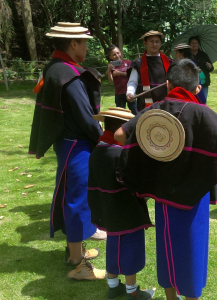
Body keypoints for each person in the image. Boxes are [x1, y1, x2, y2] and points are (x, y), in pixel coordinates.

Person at [114, 59, 217, 300]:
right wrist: (203, 163)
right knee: (192, 245)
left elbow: (119, 135)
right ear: (197, 89)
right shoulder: (201, 111)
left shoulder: (155, 110)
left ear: (168, 84)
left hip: (163, 193)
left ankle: (171, 297)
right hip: (194, 193)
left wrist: (152, 154)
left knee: (167, 245)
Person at [28, 22, 106, 280]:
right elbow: (86, 118)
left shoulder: (57, 67)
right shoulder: (67, 74)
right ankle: (77, 263)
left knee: (73, 195)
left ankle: (75, 250)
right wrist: (103, 139)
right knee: (77, 199)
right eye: (84, 42)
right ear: (73, 44)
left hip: (68, 142)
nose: (86, 46)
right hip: (76, 143)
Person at [87, 108, 156, 299]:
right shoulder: (120, 153)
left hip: (107, 210)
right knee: (131, 250)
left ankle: (113, 286)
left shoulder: (97, 150)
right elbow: (136, 183)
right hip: (127, 211)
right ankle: (132, 292)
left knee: (113, 244)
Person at [127, 30, 171, 111]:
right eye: (151, 41)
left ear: (160, 44)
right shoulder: (138, 63)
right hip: (145, 105)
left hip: (166, 103)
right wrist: (130, 92)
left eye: (157, 41)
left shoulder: (169, 62)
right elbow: (133, 82)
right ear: (145, 43)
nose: (154, 44)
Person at [106, 45, 136, 114]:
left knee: (134, 111)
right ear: (110, 57)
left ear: (120, 53)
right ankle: (122, 125)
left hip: (129, 92)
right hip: (119, 94)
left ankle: (136, 124)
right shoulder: (111, 66)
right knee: (121, 114)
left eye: (118, 53)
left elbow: (131, 75)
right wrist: (109, 69)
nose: (117, 55)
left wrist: (119, 73)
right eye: (114, 54)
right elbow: (111, 81)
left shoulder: (127, 62)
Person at [189, 36, 214, 103]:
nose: (194, 45)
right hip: (193, 83)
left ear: (198, 44)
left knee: (203, 102)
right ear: (189, 45)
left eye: (195, 43)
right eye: (192, 43)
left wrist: (210, 66)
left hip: (204, 83)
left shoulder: (203, 54)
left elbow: (211, 69)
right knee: (195, 102)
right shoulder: (188, 56)